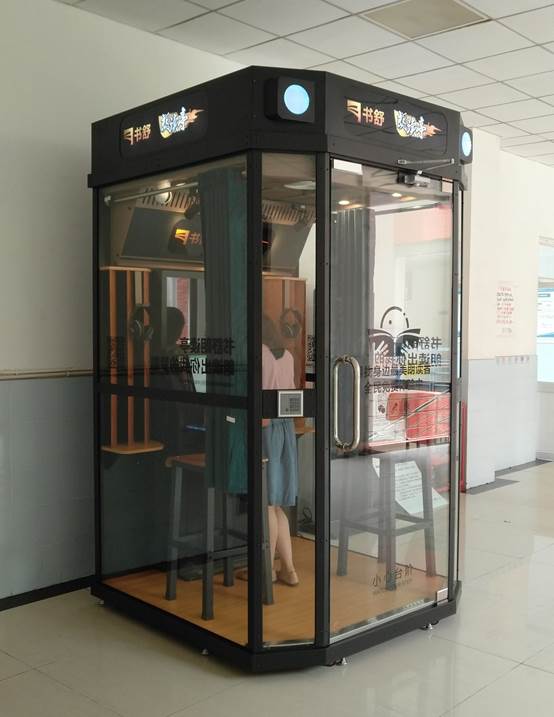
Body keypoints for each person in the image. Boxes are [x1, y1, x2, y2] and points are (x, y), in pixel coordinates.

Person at [262, 314, 299, 587]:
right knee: (276, 505)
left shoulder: (260, 355)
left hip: (267, 428)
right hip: (286, 427)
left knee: (267, 502)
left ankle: (265, 572)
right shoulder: (287, 355)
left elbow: (261, 403)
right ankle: (289, 570)